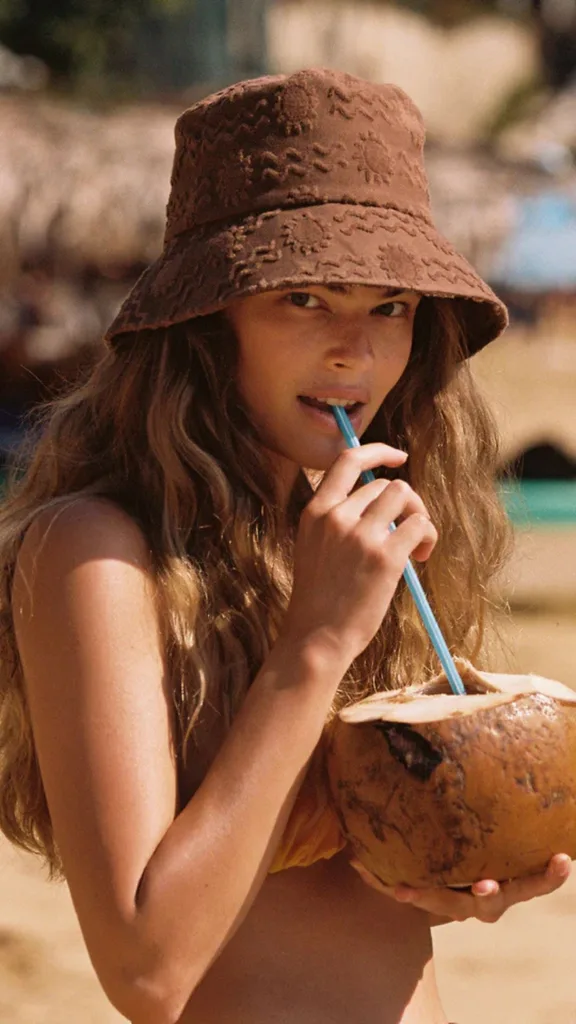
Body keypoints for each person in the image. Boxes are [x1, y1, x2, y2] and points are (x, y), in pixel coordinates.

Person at [0, 68, 571, 1024]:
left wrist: (470, 858)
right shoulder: (98, 554)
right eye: (305, 297)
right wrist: (315, 646)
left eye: (390, 305)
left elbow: (352, 893)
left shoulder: (344, 534)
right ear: (204, 324)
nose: (356, 349)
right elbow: (147, 969)